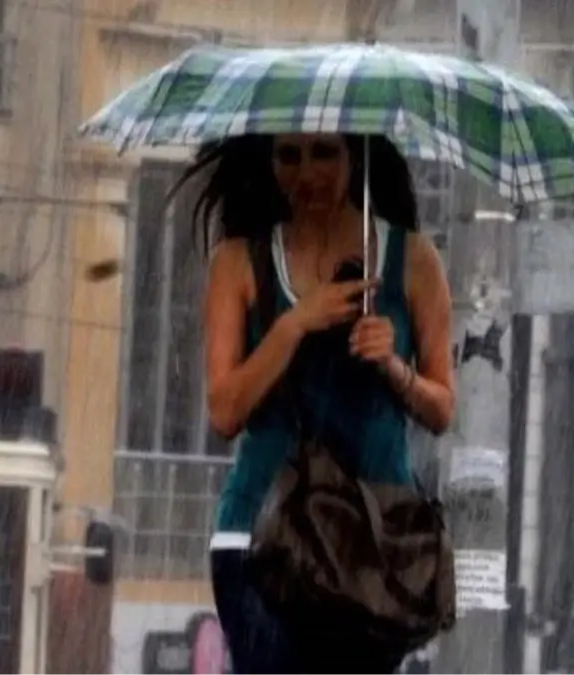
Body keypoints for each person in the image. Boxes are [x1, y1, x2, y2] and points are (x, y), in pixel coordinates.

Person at [173, 133, 456, 675]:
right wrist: (296, 324)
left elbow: (441, 409)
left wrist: (394, 367)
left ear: (356, 154)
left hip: (374, 546)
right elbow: (225, 411)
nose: (306, 174)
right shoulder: (238, 261)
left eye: (324, 153)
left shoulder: (414, 260)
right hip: (260, 535)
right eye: (289, 156)